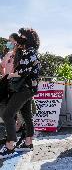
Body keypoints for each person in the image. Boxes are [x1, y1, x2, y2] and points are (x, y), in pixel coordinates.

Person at [0, 28, 41, 159]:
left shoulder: (30, 52)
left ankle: (9, 146)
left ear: (30, 39)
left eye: (23, 36)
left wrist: (8, 75)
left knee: (8, 114)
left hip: (24, 88)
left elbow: (23, 71)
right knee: (26, 114)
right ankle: (28, 143)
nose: (20, 38)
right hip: (28, 88)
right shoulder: (30, 52)